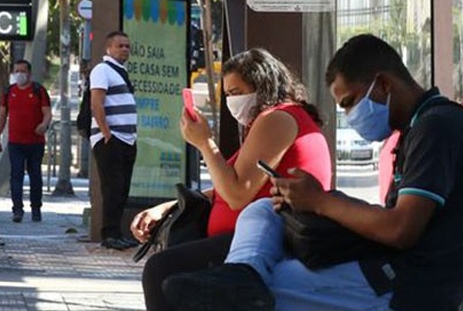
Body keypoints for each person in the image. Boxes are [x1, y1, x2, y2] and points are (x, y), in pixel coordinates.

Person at [162, 34, 463, 311]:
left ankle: (244, 281)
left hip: (406, 284)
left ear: (384, 84)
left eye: (349, 102)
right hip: (385, 265)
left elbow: (401, 228)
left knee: (260, 288)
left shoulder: (438, 127)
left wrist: (320, 202)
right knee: (264, 210)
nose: (348, 114)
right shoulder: (419, 129)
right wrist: (316, 199)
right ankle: (243, 273)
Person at [132, 48, 332, 310]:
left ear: (263, 85)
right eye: (227, 95)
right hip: (242, 236)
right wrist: (168, 207)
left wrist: (205, 143)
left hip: (268, 239)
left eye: (237, 93)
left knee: (161, 270)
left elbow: (237, 194)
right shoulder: (266, 121)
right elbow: (225, 185)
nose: (232, 102)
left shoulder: (278, 118)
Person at [90, 30, 139, 250]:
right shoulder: (102, 70)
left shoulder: (121, 72)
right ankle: (108, 234)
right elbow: (96, 103)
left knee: (122, 189)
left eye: (127, 46)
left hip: (127, 139)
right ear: (109, 48)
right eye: (120, 46)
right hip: (112, 139)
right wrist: (106, 133)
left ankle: (117, 232)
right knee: (112, 187)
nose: (125, 50)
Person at [0, 60, 52, 223]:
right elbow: (2, 115)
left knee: (35, 176)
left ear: (29, 73)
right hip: (15, 142)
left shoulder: (38, 91)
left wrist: (43, 124)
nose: (19, 74)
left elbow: (47, 112)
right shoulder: (9, 92)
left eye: (22, 71)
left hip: (35, 142)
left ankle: (36, 209)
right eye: (16, 71)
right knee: (16, 175)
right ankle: (17, 209)